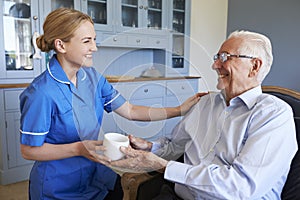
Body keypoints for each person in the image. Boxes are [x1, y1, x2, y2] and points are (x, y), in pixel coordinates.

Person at [19, 8, 203, 200]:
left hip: (96, 175)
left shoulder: (92, 78)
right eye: (86, 41)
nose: (95, 48)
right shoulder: (41, 93)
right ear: (61, 45)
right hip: (59, 186)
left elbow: (130, 110)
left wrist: (179, 110)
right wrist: (78, 148)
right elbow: (29, 150)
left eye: (94, 39)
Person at [111, 30, 298, 199]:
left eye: (225, 57)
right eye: (217, 57)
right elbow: (175, 146)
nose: (215, 65)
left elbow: (239, 188)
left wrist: (164, 166)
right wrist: (149, 147)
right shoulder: (206, 103)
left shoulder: (273, 115)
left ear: (255, 66)